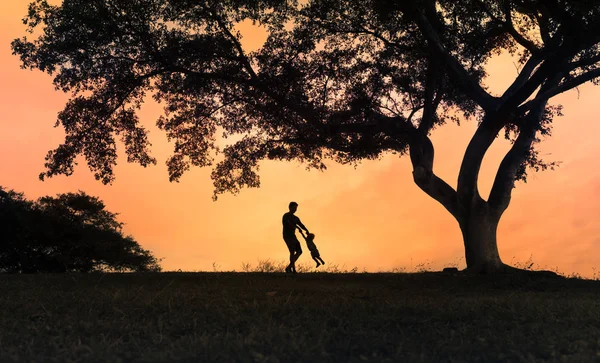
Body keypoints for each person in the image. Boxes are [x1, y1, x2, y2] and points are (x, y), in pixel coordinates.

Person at [282, 201, 309, 273]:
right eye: (294, 208)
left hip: (293, 236)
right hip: (287, 236)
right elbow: (288, 224)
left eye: (296, 208)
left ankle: (289, 267)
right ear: (290, 207)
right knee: (292, 251)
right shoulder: (286, 216)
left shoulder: (296, 218)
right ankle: (293, 269)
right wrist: (297, 227)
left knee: (299, 251)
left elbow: (301, 224)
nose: (295, 209)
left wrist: (306, 230)